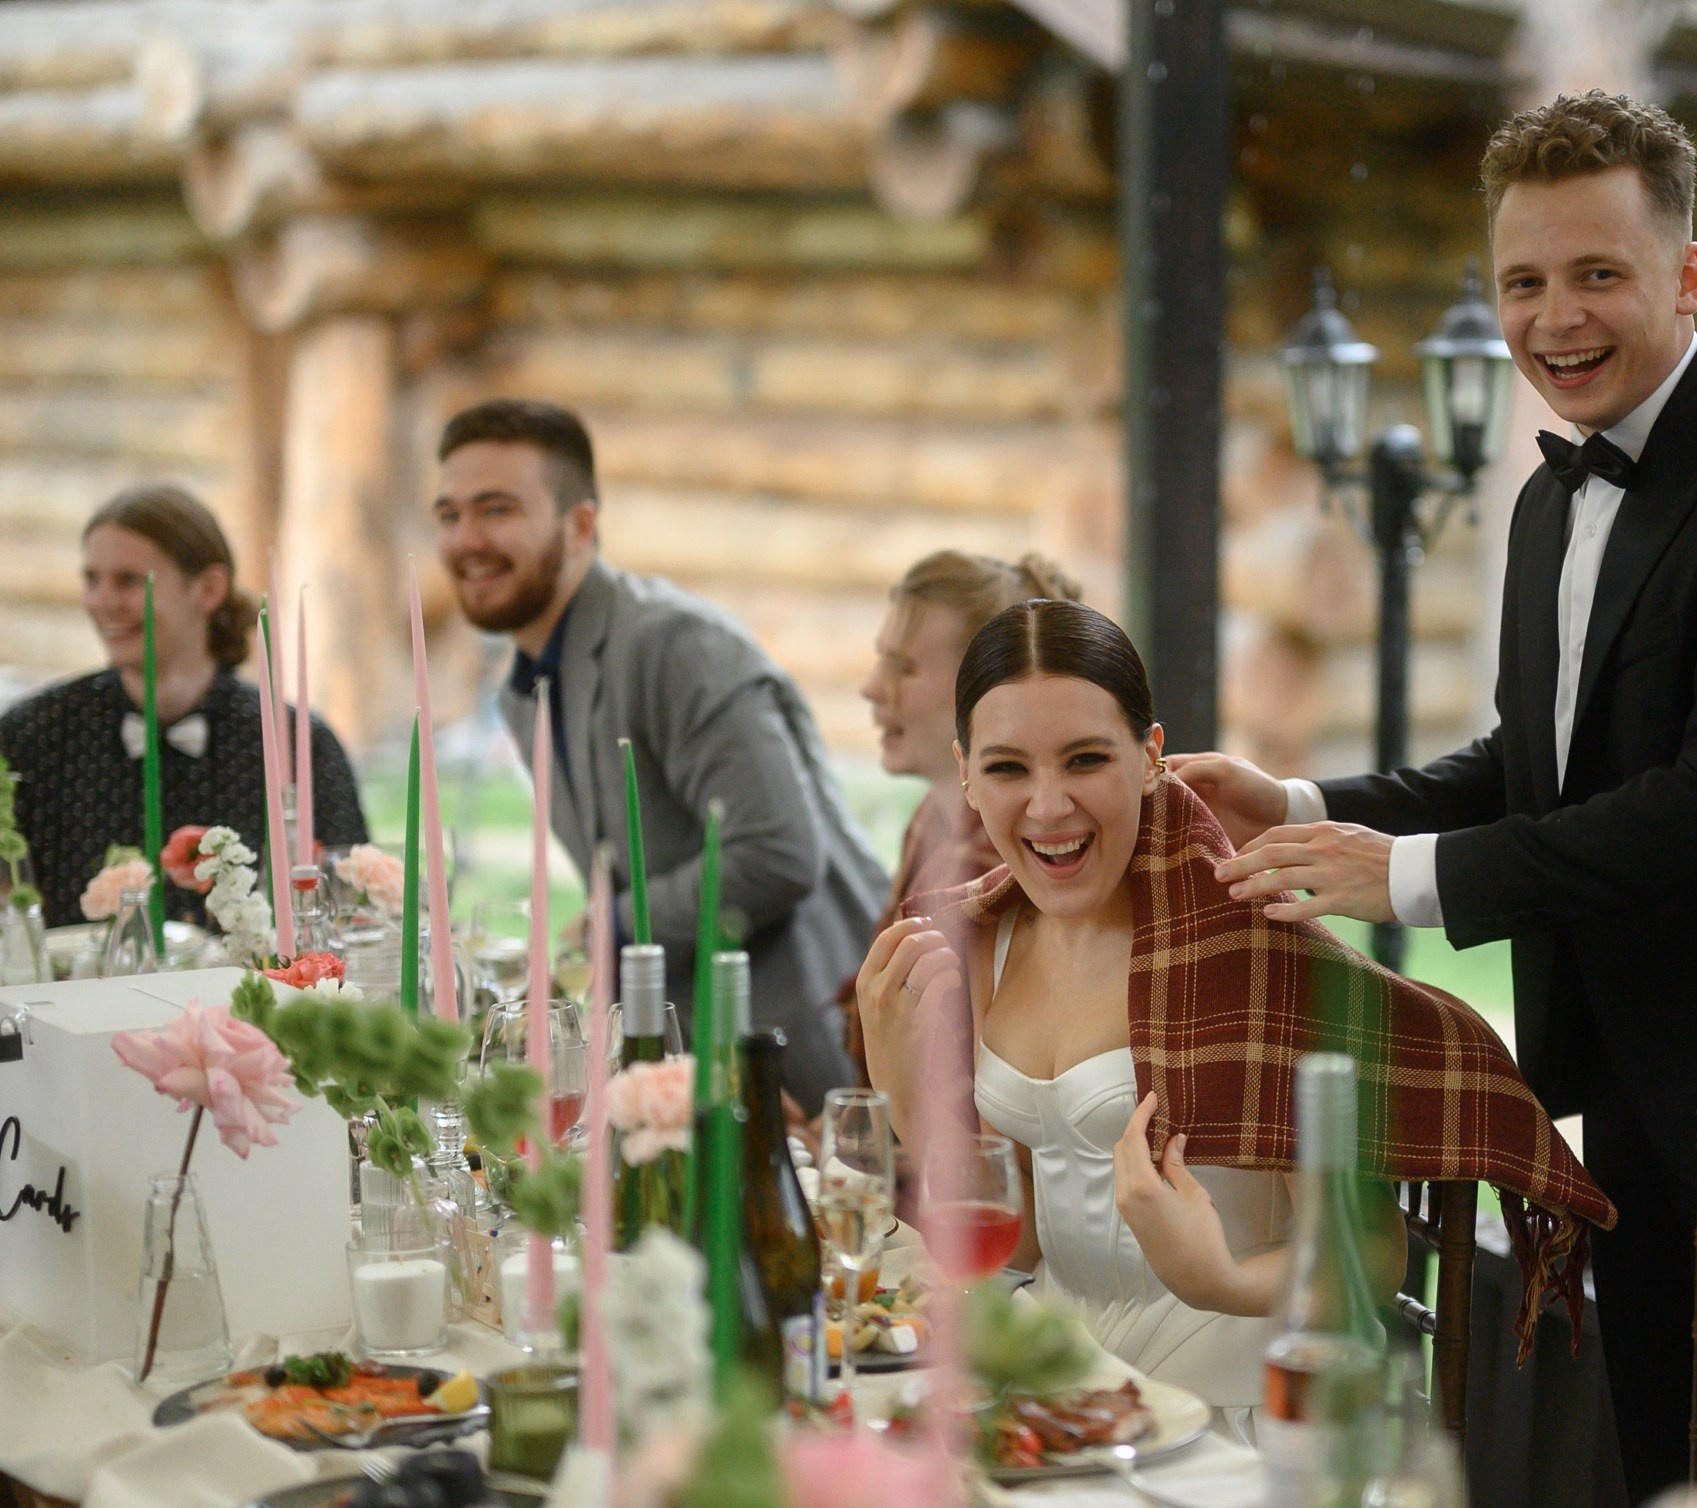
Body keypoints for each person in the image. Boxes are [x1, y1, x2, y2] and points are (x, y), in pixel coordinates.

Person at [1172, 93, 1697, 1508]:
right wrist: (1303, 804)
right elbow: (1532, 766)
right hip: (1636, 1058)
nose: (1555, 317)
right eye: (1523, 282)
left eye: (1597, 274)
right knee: (1672, 1482)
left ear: (1687, 274)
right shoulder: (1551, 499)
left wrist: (1404, 878)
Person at [854, 599, 1612, 1412]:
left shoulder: (1247, 949)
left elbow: (1369, 1256)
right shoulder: (985, 941)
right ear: (965, 768)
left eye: (1084, 760)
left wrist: (1219, 1278)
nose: (1047, 806)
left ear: (1150, 757)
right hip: (1069, 1399)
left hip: (1246, 1413)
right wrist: (909, 1105)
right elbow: (1028, 1238)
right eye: (1008, 768)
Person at [433, 398, 887, 1111]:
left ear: (581, 524)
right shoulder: (523, 686)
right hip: (684, 1070)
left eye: (496, 510)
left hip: (800, 1063)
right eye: (450, 514)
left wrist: (608, 925)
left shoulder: (671, 645)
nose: (466, 539)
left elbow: (777, 851)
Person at [0, 484, 367, 928]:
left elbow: (349, 907)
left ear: (209, 589)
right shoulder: (32, 734)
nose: (102, 603)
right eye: (92, 579)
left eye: (129, 581)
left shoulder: (297, 742)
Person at [842, 551, 1084, 1075]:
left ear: (984, 689)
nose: (870, 687)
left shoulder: (1012, 862)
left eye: (902, 668)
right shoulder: (931, 819)